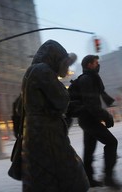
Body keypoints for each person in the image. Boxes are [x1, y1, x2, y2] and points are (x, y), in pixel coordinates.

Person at [20, 40, 90, 192]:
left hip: (38, 134)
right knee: (72, 177)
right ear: (55, 58)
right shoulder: (42, 70)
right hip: (48, 135)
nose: (66, 67)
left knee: (42, 179)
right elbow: (61, 100)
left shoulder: (32, 71)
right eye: (65, 62)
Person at [76, 54, 122, 189]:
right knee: (112, 142)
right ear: (89, 65)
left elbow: (92, 103)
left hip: (87, 118)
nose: (98, 64)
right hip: (89, 119)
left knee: (89, 149)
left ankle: (89, 179)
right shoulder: (87, 79)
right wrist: (106, 116)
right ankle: (108, 177)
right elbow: (91, 104)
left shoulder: (91, 78)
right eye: (96, 62)